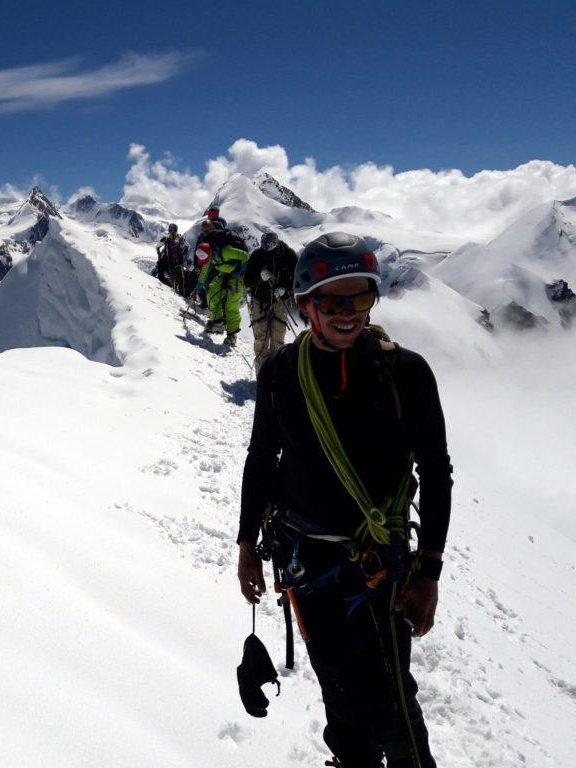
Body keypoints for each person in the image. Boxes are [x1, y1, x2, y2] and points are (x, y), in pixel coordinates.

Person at [236, 232, 452, 768]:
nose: (348, 314)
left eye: (360, 299)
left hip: (377, 564)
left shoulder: (406, 374)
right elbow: (261, 460)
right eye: (334, 301)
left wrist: (429, 573)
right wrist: (245, 544)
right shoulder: (282, 374)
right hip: (306, 563)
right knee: (338, 688)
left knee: (392, 702)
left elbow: (437, 473)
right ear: (307, 304)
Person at [244, 230, 298, 373]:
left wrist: (285, 290)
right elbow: (247, 281)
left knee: (277, 340)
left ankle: (276, 376)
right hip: (259, 300)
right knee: (261, 340)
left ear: (276, 242)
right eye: (264, 244)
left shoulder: (289, 255)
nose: (266, 248)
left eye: (270, 244)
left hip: (280, 301)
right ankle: (262, 376)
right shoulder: (257, 256)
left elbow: (296, 280)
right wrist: (260, 278)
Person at [194, 228, 249, 346]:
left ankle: (232, 334)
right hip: (225, 273)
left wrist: (243, 273)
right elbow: (204, 272)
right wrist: (197, 289)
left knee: (231, 304)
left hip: (237, 276)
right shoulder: (209, 255)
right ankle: (217, 323)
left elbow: (245, 256)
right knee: (212, 292)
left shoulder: (226, 251)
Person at [157, 223, 190, 295]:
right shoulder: (181, 238)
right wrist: (183, 254)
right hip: (177, 261)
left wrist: (159, 255)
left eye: (172, 231)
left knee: (160, 264)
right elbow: (187, 246)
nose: (172, 233)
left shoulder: (165, 238)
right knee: (179, 276)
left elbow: (157, 247)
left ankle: (163, 280)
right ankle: (181, 291)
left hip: (170, 260)